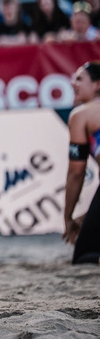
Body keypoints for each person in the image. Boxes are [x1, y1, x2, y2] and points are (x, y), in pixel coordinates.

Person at [63, 61, 100, 265]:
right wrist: (85, 217)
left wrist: (68, 216)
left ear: (97, 85)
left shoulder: (82, 114)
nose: (72, 83)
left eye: (79, 78)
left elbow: (76, 173)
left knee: (85, 257)